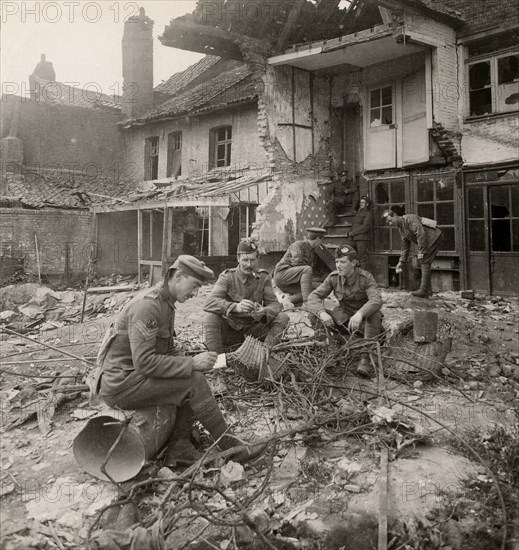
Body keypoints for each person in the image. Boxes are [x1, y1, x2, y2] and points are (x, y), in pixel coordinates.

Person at [95, 255, 266, 468]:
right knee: (192, 380)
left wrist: (204, 361)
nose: (195, 294)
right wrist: (191, 364)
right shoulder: (148, 306)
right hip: (121, 385)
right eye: (194, 286)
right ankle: (231, 446)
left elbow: (167, 350)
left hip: (134, 378)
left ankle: (180, 447)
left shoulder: (166, 303)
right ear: (178, 276)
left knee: (191, 375)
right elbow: (144, 362)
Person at [307, 244, 383, 377]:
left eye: (343, 262)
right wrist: (322, 313)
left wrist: (360, 313)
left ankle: (365, 359)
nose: (338, 265)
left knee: (374, 313)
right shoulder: (333, 278)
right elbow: (313, 296)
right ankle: (328, 350)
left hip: (364, 325)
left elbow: (376, 301)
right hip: (345, 322)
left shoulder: (366, 278)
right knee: (314, 313)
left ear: (353, 263)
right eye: (337, 261)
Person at [203, 240, 290, 353]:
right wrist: (235, 307)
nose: (249, 265)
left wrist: (263, 312)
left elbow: (275, 305)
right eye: (245, 260)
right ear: (238, 259)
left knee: (283, 317)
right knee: (211, 317)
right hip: (231, 329)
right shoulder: (227, 277)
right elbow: (209, 303)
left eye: (252, 260)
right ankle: (217, 360)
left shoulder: (263, 277)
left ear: (257, 259)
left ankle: (263, 355)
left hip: (255, 330)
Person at [382, 210, 443, 298]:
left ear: (395, 215)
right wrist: (401, 262)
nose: (390, 224)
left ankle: (424, 290)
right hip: (428, 240)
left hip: (434, 237)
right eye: (389, 223)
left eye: (390, 220)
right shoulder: (401, 229)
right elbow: (405, 246)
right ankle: (427, 290)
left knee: (424, 261)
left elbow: (420, 234)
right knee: (425, 261)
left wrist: (421, 251)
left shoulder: (409, 219)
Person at [273, 227, 327, 306]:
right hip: (282, 275)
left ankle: (286, 301)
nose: (322, 242)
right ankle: (307, 304)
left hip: (292, 281)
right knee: (307, 269)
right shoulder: (298, 245)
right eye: (322, 239)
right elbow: (296, 263)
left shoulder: (312, 251)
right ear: (318, 238)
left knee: (313, 291)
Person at [347, 195, 373, 270]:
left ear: (367, 204)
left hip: (362, 238)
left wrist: (353, 232)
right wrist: (349, 233)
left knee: (362, 258)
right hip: (354, 238)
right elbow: (355, 224)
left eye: (363, 203)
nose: (361, 204)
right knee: (347, 252)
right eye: (360, 202)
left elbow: (365, 227)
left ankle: (364, 276)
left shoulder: (369, 213)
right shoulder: (359, 212)